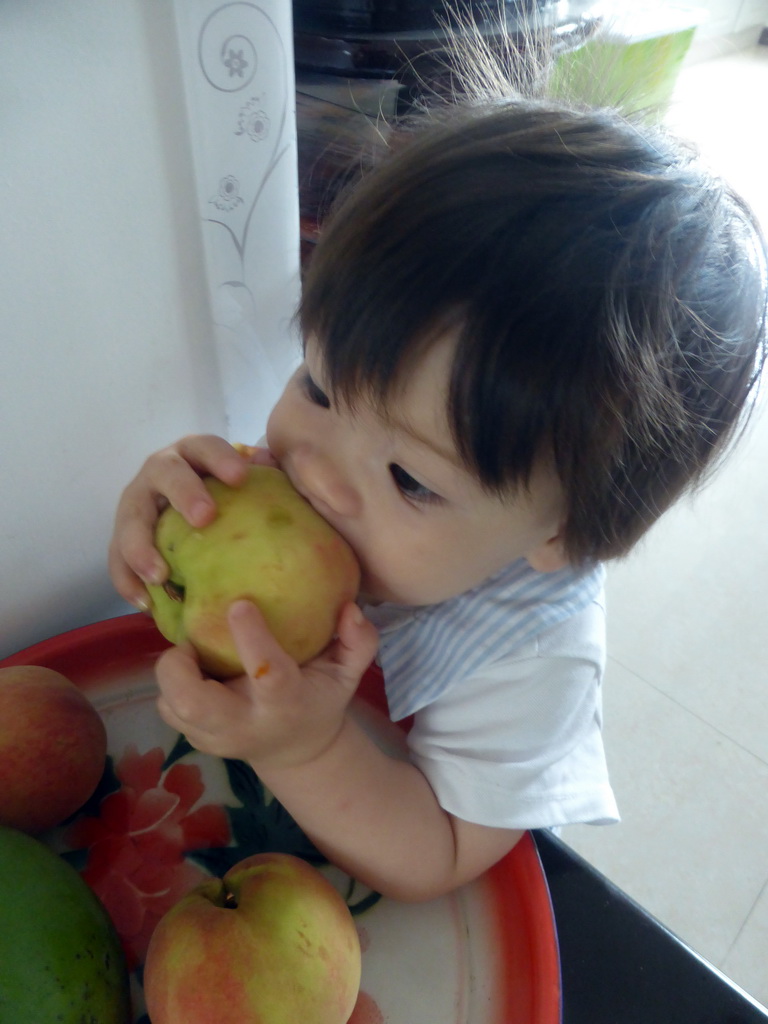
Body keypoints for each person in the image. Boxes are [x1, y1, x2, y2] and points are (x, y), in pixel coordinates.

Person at [109, 96, 767, 902]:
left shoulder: (529, 662)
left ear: (563, 533)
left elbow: (442, 855)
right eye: (318, 384)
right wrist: (159, 532)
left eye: (411, 479)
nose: (314, 472)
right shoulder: (322, 469)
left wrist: (304, 751)